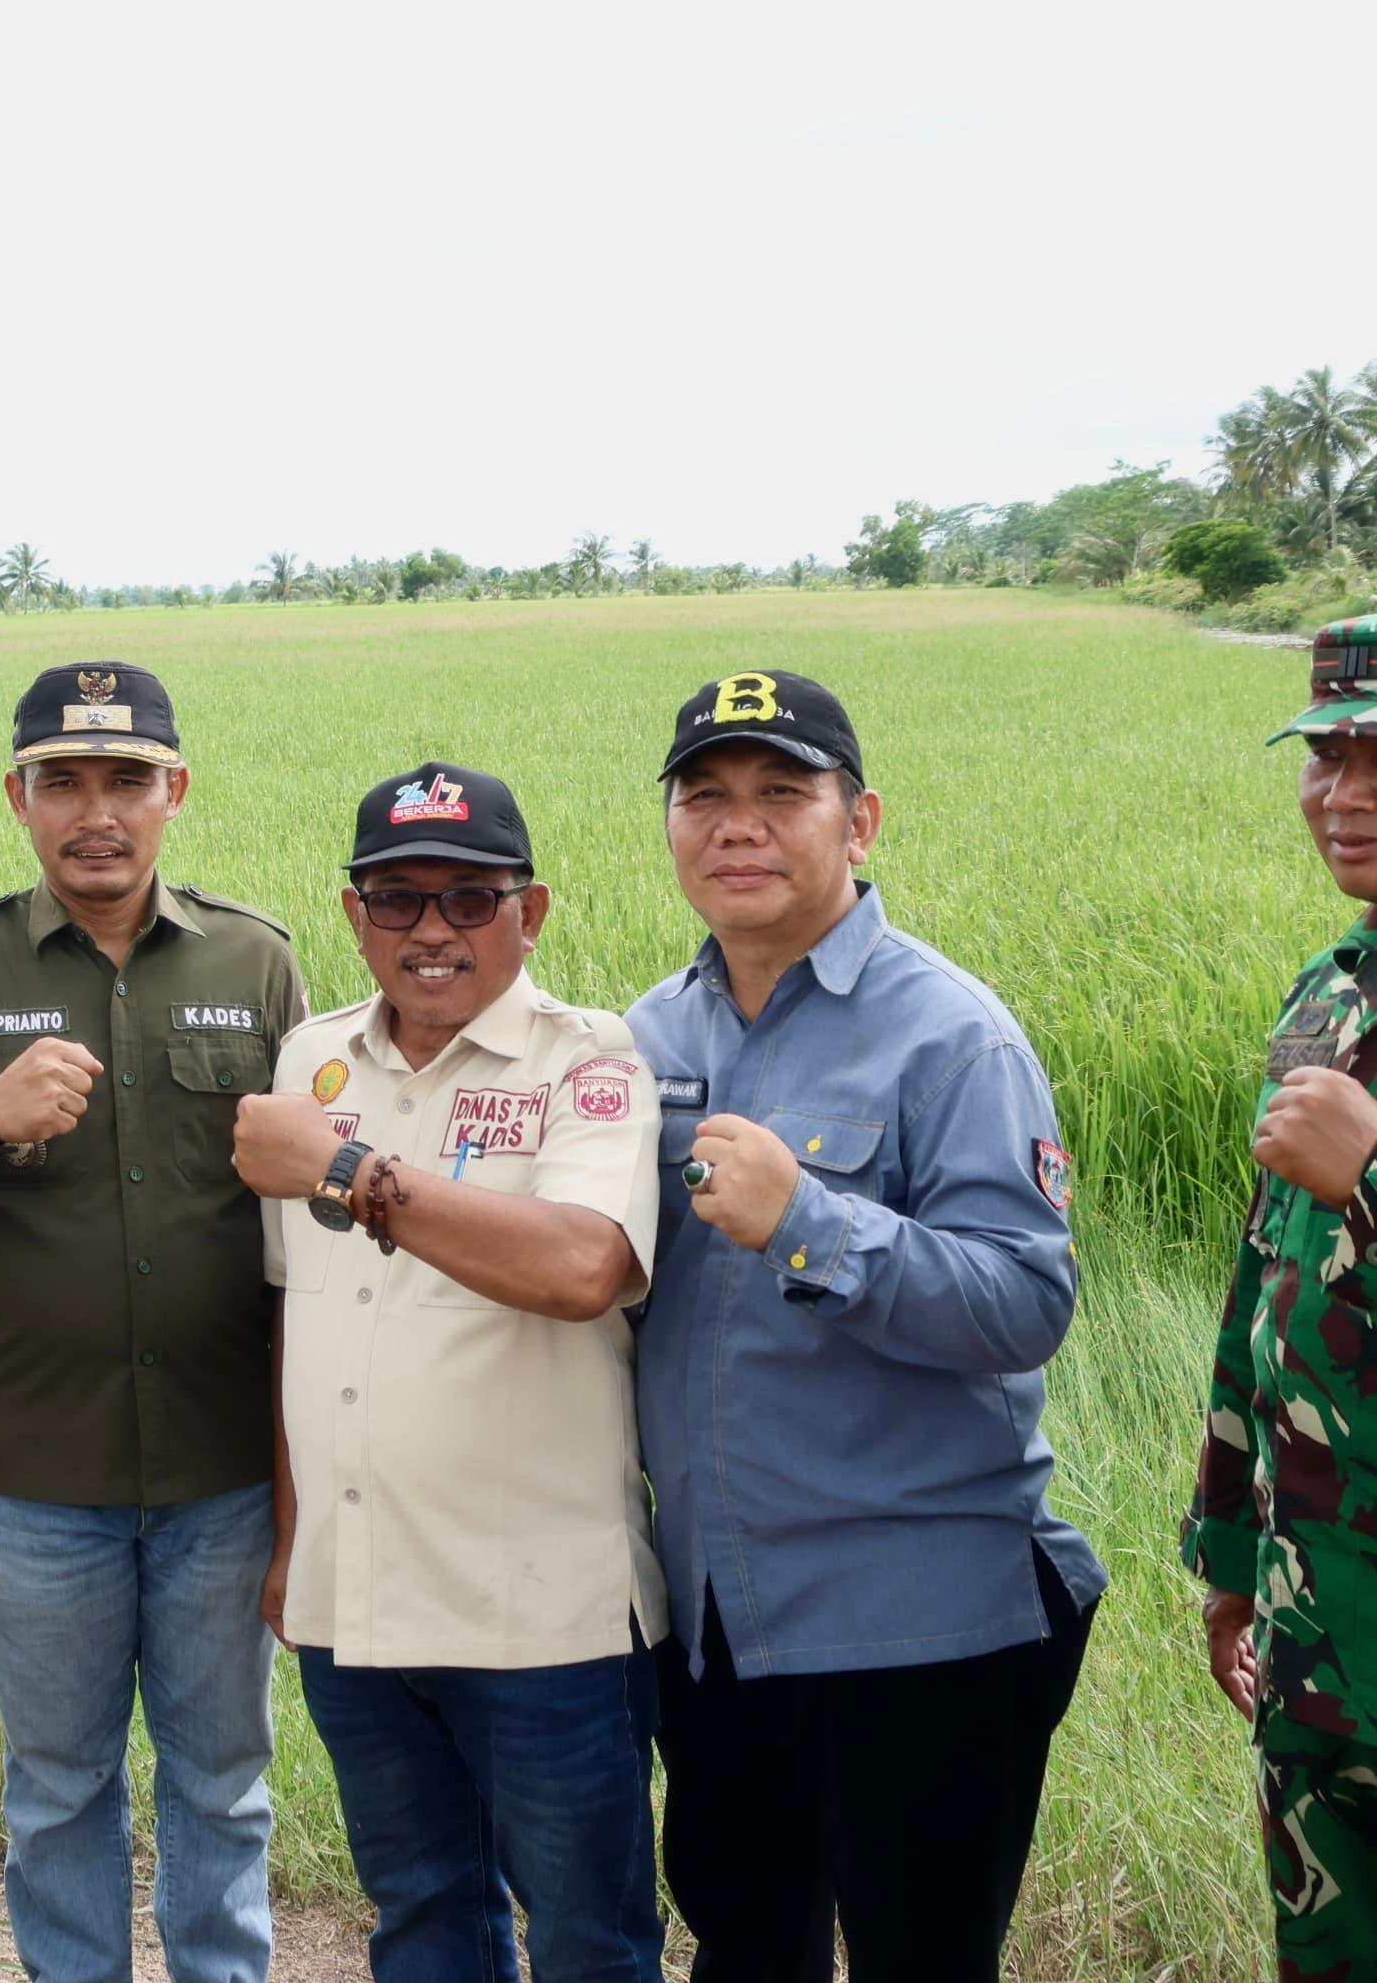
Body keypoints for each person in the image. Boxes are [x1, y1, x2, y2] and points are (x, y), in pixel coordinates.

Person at [0, 662, 302, 1983]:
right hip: (37, 1488)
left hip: (220, 1478)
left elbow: (313, 1198)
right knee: (56, 1791)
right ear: (19, 797)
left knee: (223, 1786)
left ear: (176, 792)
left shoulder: (255, 962)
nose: (99, 811)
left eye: (129, 780)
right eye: (65, 781)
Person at [629, 668, 1105, 1980]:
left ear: (862, 820)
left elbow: (1025, 1302)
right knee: (746, 1948)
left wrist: (809, 1219)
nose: (740, 826)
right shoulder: (643, 1038)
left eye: (783, 793)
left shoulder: (953, 1040)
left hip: (923, 1631)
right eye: (706, 797)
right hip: (723, 1621)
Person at [230, 761, 665, 1981]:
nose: (433, 930)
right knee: (421, 1918)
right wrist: (290, 1533)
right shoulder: (311, 1061)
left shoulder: (589, 1059)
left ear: (531, 914)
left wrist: (347, 1174)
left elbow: (584, 1265)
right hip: (353, 1592)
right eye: (399, 898)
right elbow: (293, 1319)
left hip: (544, 1610)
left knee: (589, 1939)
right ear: (354, 914)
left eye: (471, 899)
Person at [1188, 614, 1377, 1981]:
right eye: (1326, 755)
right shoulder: (1332, 989)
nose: (1346, 797)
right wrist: (1231, 1564)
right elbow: (1267, 1286)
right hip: (1321, 1629)